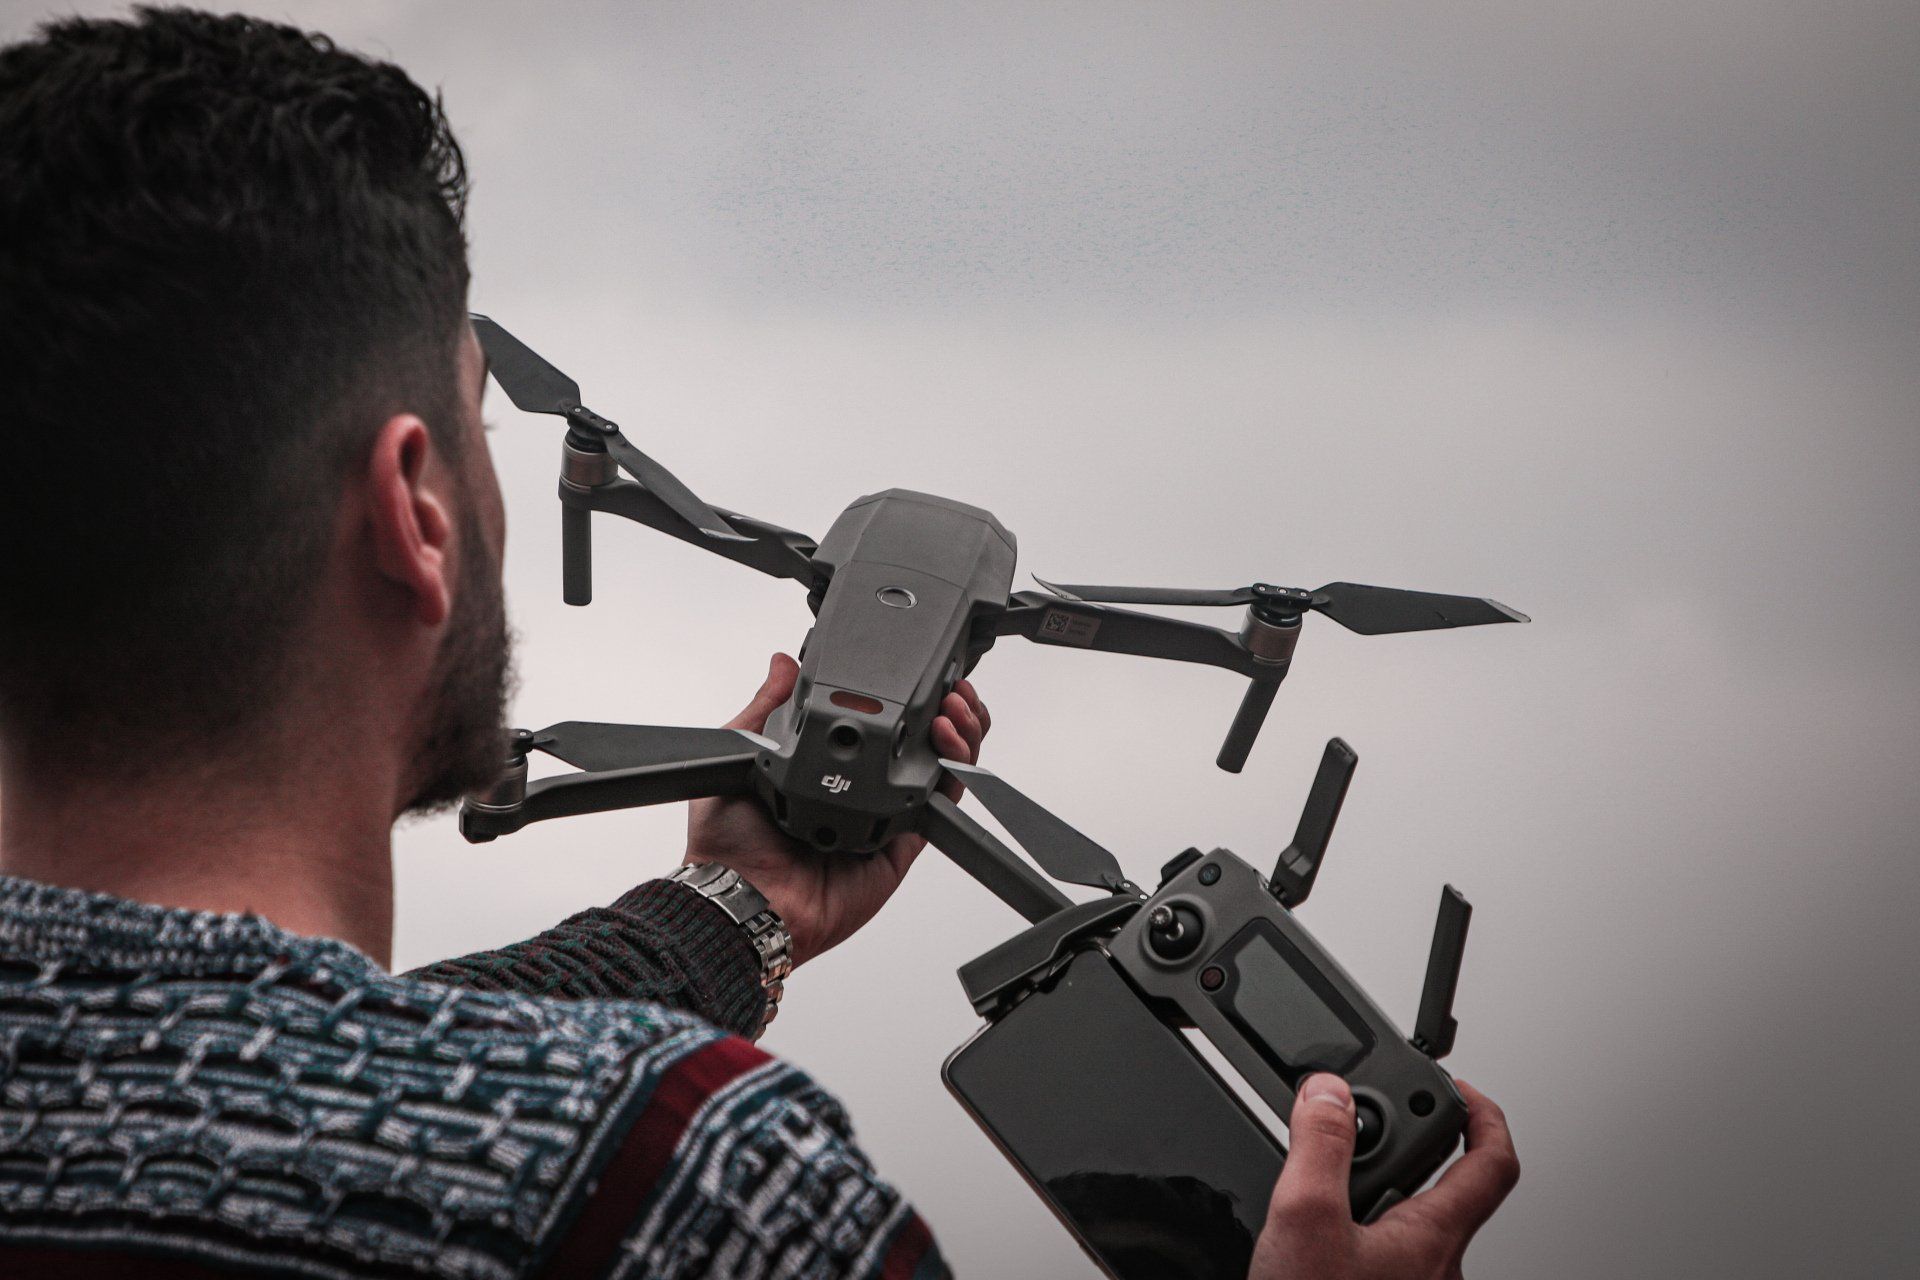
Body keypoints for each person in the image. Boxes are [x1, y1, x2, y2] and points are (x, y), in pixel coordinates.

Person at [0, 8, 1517, 1278]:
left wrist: (738, 905)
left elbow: (310, 1049)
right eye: (479, 425)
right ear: (416, 511)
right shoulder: (689, 1187)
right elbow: (365, 1080)